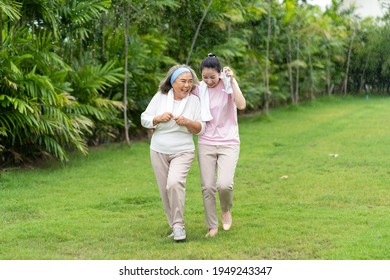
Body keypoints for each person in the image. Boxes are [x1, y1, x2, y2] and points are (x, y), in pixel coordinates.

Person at [141, 65, 205, 242]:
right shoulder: (160, 97)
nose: (187, 85)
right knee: (164, 190)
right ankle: (174, 226)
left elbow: (200, 128)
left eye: (190, 81)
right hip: (158, 150)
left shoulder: (194, 101)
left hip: (183, 150)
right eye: (183, 81)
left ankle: (179, 226)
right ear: (172, 81)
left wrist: (187, 122)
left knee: (174, 184)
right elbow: (144, 118)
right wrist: (157, 118)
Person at [195, 53, 246, 238]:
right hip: (206, 142)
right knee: (207, 186)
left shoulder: (228, 85)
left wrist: (232, 81)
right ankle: (212, 226)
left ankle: (225, 209)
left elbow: (241, 105)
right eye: (205, 77)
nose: (208, 81)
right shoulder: (199, 89)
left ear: (220, 74)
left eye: (212, 77)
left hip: (228, 142)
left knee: (224, 185)